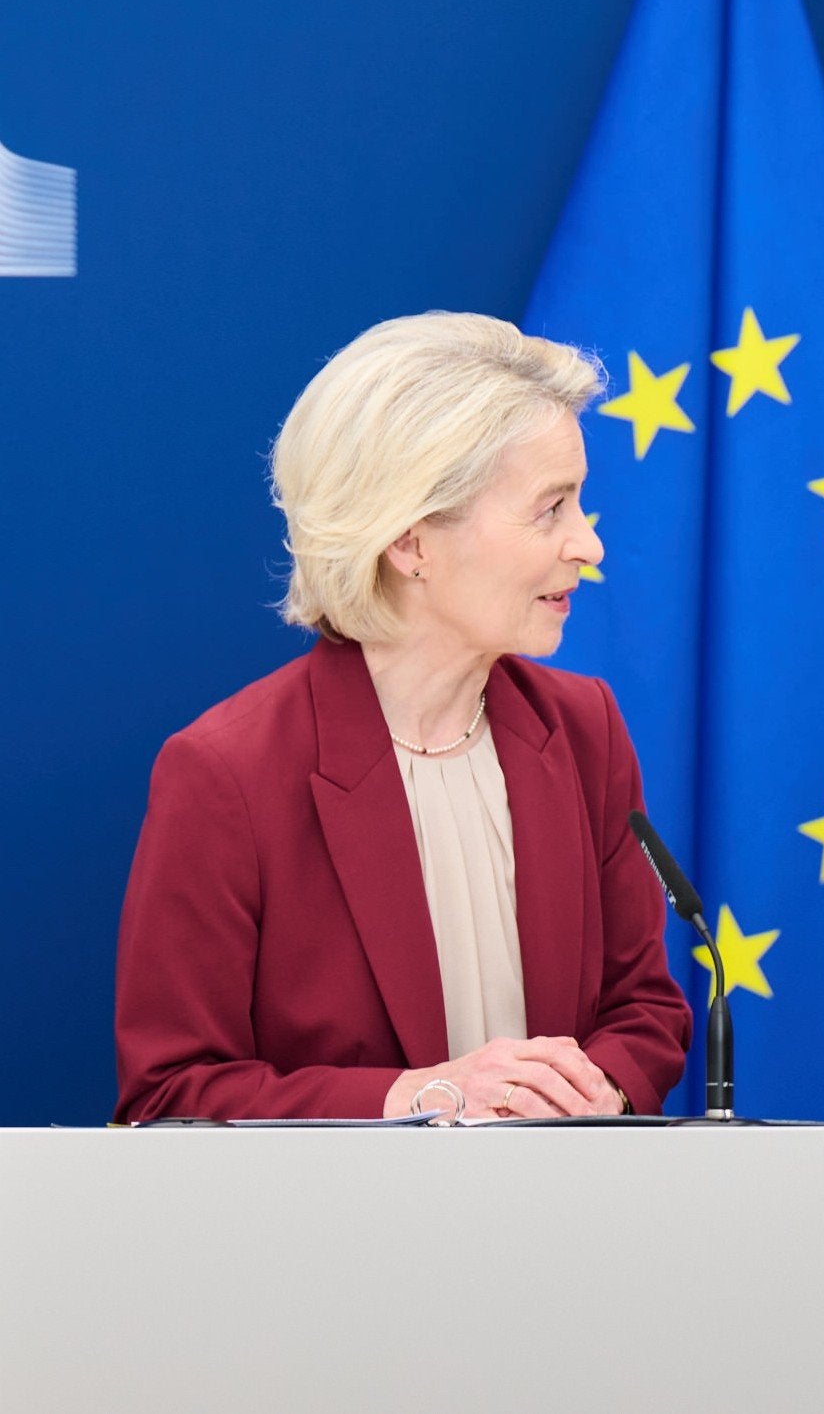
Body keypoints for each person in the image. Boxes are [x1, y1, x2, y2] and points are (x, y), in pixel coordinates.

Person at [114, 312, 691, 1122]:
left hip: (564, 1202)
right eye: (550, 508)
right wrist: (419, 1097)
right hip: (337, 1210)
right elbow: (169, 1096)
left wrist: (599, 1086)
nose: (589, 545)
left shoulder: (582, 727)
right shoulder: (227, 775)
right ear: (410, 542)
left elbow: (644, 1010)